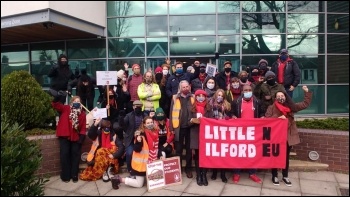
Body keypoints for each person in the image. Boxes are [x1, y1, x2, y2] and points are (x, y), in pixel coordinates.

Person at [265, 85, 312, 186]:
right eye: (278, 96)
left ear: (285, 97)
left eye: (282, 95)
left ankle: (285, 176)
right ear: (275, 98)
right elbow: (267, 120)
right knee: (275, 156)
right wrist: (278, 118)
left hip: (287, 137)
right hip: (276, 137)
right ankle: (275, 176)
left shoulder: (291, 107)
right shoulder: (271, 107)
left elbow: (305, 104)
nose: (281, 97)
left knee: (285, 157)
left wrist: (307, 92)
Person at [113, 116, 162, 188]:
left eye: (151, 122)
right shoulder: (141, 134)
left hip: (150, 160)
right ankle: (118, 179)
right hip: (141, 164)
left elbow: (157, 146)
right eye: (148, 123)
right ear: (144, 124)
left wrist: (160, 154)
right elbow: (136, 149)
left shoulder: (155, 132)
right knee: (139, 184)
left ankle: (134, 177)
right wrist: (138, 142)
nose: (150, 124)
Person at [230, 84, 264, 184]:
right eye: (246, 90)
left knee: (253, 153)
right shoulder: (236, 102)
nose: (248, 91)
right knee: (238, 152)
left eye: (249, 90)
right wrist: (232, 116)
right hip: (240, 131)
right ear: (242, 91)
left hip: (253, 132)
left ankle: (252, 173)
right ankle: (236, 173)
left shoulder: (257, 102)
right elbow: (230, 112)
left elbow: (262, 112)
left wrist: (262, 117)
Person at [51, 95, 86, 183]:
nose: (77, 103)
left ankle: (74, 175)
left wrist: (81, 138)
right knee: (64, 155)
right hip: (65, 135)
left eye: (78, 101)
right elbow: (55, 105)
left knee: (75, 156)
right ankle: (65, 175)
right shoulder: (66, 108)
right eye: (75, 101)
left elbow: (83, 128)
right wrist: (58, 97)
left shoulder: (82, 114)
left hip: (75, 137)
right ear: (71, 102)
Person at [169, 80, 195, 179]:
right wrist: (171, 127)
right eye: (183, 87)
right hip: (178, 128)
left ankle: (188, 169)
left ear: (189, 87)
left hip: (190, 127)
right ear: (180, 88)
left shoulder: (192, 98)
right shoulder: (175, 98)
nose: (185, 89)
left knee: (189, 150)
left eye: (187, 87)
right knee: (178, 150)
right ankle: (178, 169)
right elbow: (171, 113)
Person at [190, 89, 213, 186]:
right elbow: (187, 121)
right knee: (198, 156)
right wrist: (192, 120)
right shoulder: (192, 108)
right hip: (196, 133)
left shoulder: (209, 107)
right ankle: (198, 175)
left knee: (205, 155)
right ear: (196, 97)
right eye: (198, 95)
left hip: (206, 135)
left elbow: (212, 121)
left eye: (203, 96)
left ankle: (204, 174)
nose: (201, 97)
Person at [208, 89, 232, 183]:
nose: (220, 97)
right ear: (215, 95)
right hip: (213, 131)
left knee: (223, 153)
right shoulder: (209, 105)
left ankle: (223, 174)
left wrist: (228, 117)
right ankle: (214, 172)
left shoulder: (227, 105)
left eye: (222, 96)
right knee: (215, 153)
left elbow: (230, 116)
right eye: (218, 95)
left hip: (224, 132)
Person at [118, 100, 147, 173]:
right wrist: (121, 117)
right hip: (131, 138)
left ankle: (142, 169)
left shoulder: (145, 115)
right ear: (133, 107)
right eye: (136, 107)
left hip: (142, 138)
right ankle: (130, 169)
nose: (138, 108)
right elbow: (122, 125)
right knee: (129, 153)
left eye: (140, 107)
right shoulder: (129, 115)